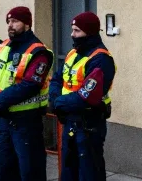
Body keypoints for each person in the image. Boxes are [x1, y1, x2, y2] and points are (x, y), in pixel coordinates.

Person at [0, 6, 53, 181]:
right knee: (4, 170)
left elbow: (30, 85)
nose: (10, 25)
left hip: (26, 122)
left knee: (31, 172)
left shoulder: (38, 52)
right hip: (3, 119)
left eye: (15, 21)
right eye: (9, 21)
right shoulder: (3, 46)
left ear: (27, 24)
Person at [48, 12, 115, 181]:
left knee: (89, 173)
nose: (72, 35)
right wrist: (55, 100)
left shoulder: (101, 59)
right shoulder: (73, 53)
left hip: (89, 125)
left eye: (77, 31)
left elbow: (87, 96)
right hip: (69, 121)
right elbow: (57, 79)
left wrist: (58, 103)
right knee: (68, 173)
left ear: (89, 32)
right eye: (72, 30)